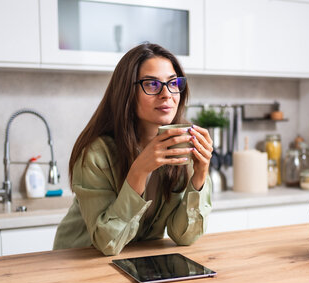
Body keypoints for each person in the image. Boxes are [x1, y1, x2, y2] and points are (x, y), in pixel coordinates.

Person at [53, 43, 213, 256]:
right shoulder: (96, 154)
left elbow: (184, 236)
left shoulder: (182, 145)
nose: (167, 94)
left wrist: (200, 175)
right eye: (152, 84)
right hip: (80, 260)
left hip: (136, 261)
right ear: (127, 91)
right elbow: (107, 243)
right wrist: (139, 172)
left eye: (173, 83)